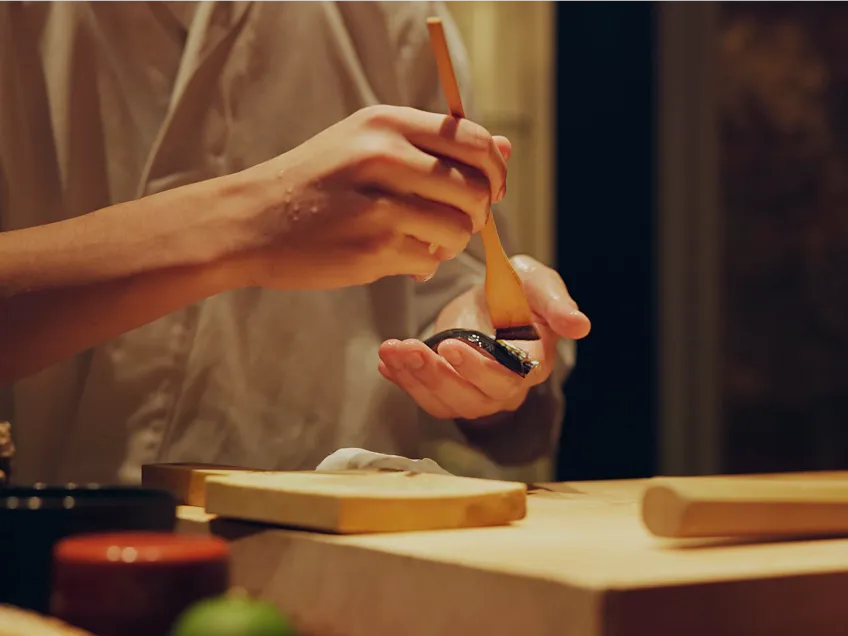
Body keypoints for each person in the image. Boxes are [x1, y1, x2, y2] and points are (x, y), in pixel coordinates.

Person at [0, 0, 590, 484]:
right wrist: (251, 223)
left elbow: (460, 298)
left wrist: (485, 355)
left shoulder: (392, 17)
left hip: (339, 562)